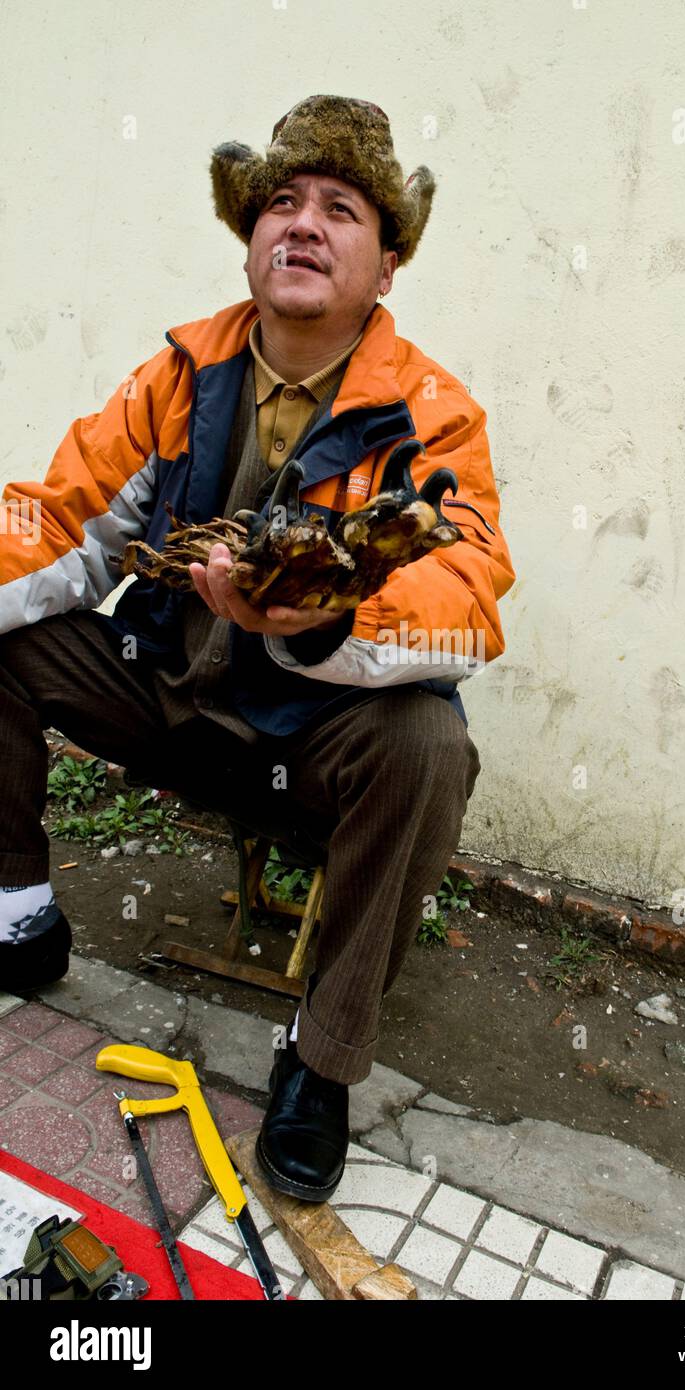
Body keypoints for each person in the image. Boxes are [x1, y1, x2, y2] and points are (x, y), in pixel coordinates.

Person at [0, 95, 515, 1202]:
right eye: (281, 202)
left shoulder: (433, 416)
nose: (303, 223)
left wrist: (320, 614)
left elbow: (465, 601)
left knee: (429, 744)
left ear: (385, 267)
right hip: (168, 696)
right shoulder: (178, 376)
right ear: (249, 239)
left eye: (340, 208)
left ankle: (319, 1060)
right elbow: (60, 526)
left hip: (311, 734)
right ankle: (17, 911)